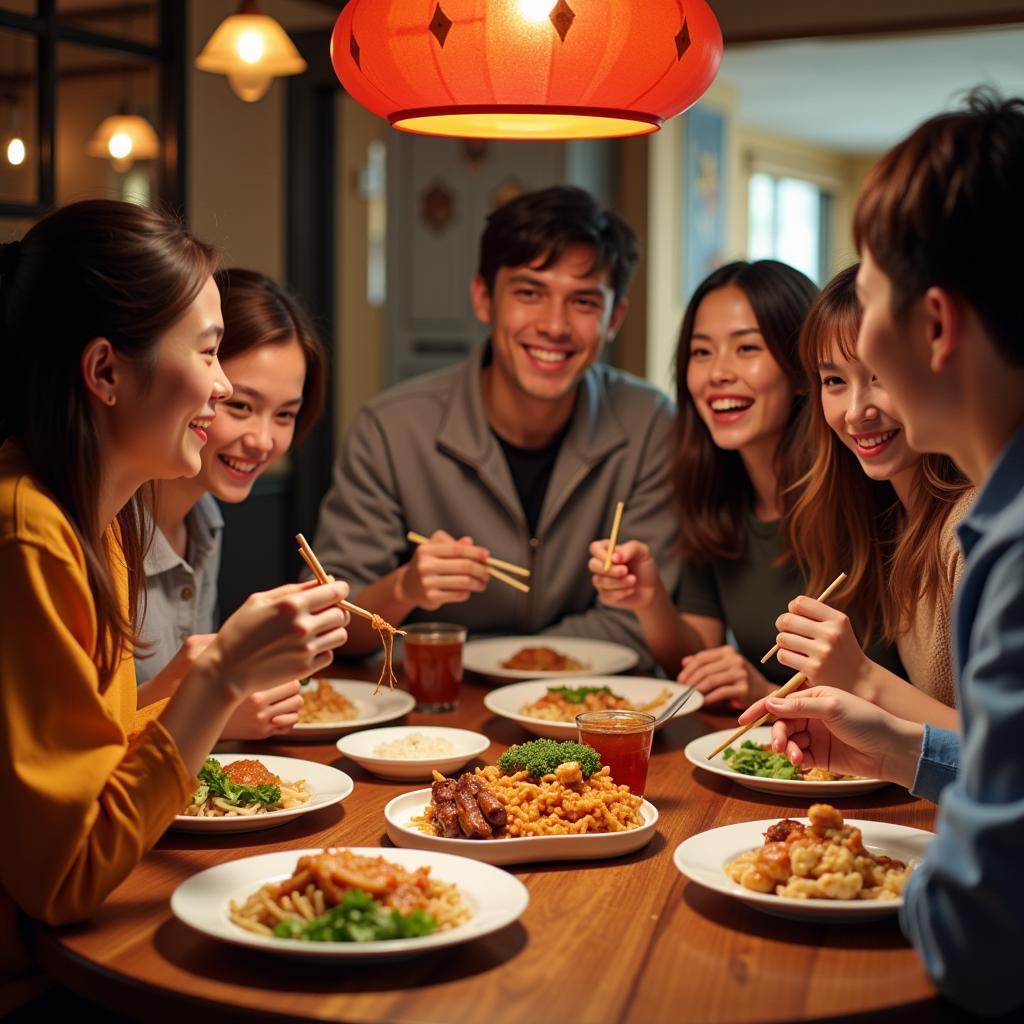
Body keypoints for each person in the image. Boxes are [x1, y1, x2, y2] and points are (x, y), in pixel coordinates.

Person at [0, 200, 349, 985]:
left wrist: (209, 683)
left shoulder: (100, 522)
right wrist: (220, 677)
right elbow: (61, 885)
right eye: (211, 354)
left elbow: (99, 759)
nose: (224, 388)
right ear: (104, 373)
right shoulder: (29, 535)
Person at [739, 92, 1024, 1016]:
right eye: (833, 376)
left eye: (867, 300)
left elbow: (988, 932)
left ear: (933, 325)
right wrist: (901, 745)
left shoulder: (1005, 546)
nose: (857, 385)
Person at [312, 185, 679, 666]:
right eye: (529, 292)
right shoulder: (390, 429)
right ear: (484, 298)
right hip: (428, 716)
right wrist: (405, 587)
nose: (554, 325)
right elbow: (333, 623)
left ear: (615, 319)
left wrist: (511, 660)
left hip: (591, 710)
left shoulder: (650, 423)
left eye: (584, 302)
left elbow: (639, 621)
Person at [591, 260, 848, 705]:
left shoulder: (863, 497)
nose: (717, 374)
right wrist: (648, 598)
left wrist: (765, 692)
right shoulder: (717, 496)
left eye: (747, 349)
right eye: (702, 352)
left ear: (804, 369)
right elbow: (695, 666)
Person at [136, 268, 327, 739]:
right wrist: (210, 708)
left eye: (285, 415)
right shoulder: (98, 526)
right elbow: (72, 740)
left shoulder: (205, 518)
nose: (263, 440)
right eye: (240, 406)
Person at [779, 264, 971, 726]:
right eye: (834, 381)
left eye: (880, 375)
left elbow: (1003, 755)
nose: (855, 411)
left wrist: (862, 677)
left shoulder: (971, 528)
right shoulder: (889, 514)